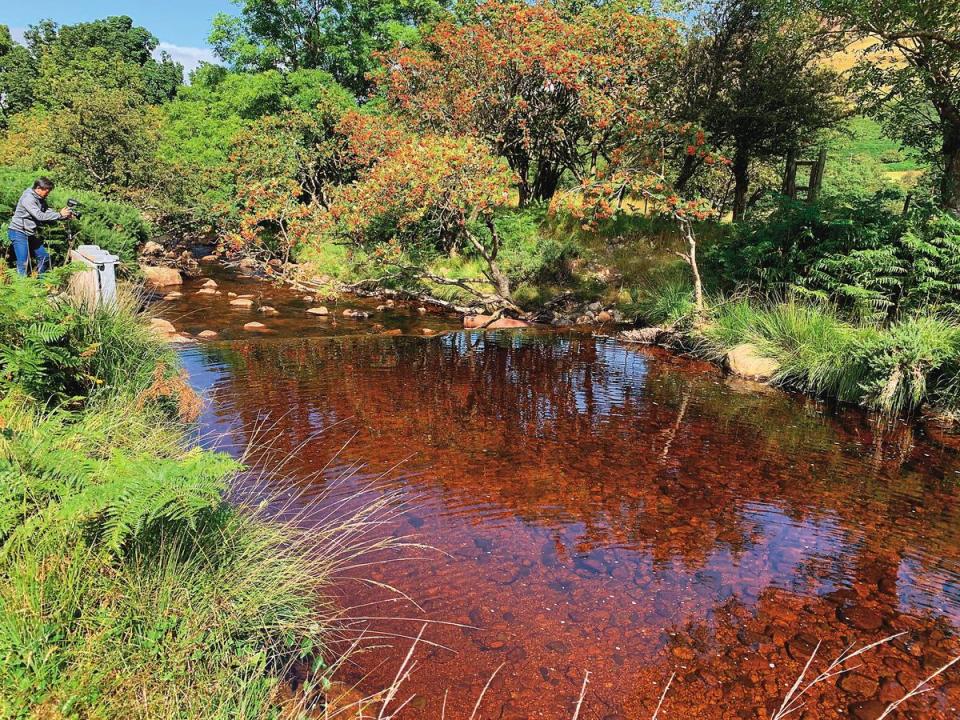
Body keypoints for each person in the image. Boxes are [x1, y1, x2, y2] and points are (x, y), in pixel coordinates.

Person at [8, 177, 73, 275]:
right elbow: (39, 216)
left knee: (44, 257)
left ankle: (40, 283)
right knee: (23, 263)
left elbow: (46, 211)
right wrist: (59, 214)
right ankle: (22, 287)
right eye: (46, 192)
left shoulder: (40, 198)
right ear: (38, 188)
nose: (48, 194)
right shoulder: (28, 198)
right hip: (18, 232)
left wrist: (64, 217)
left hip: (29, 233)